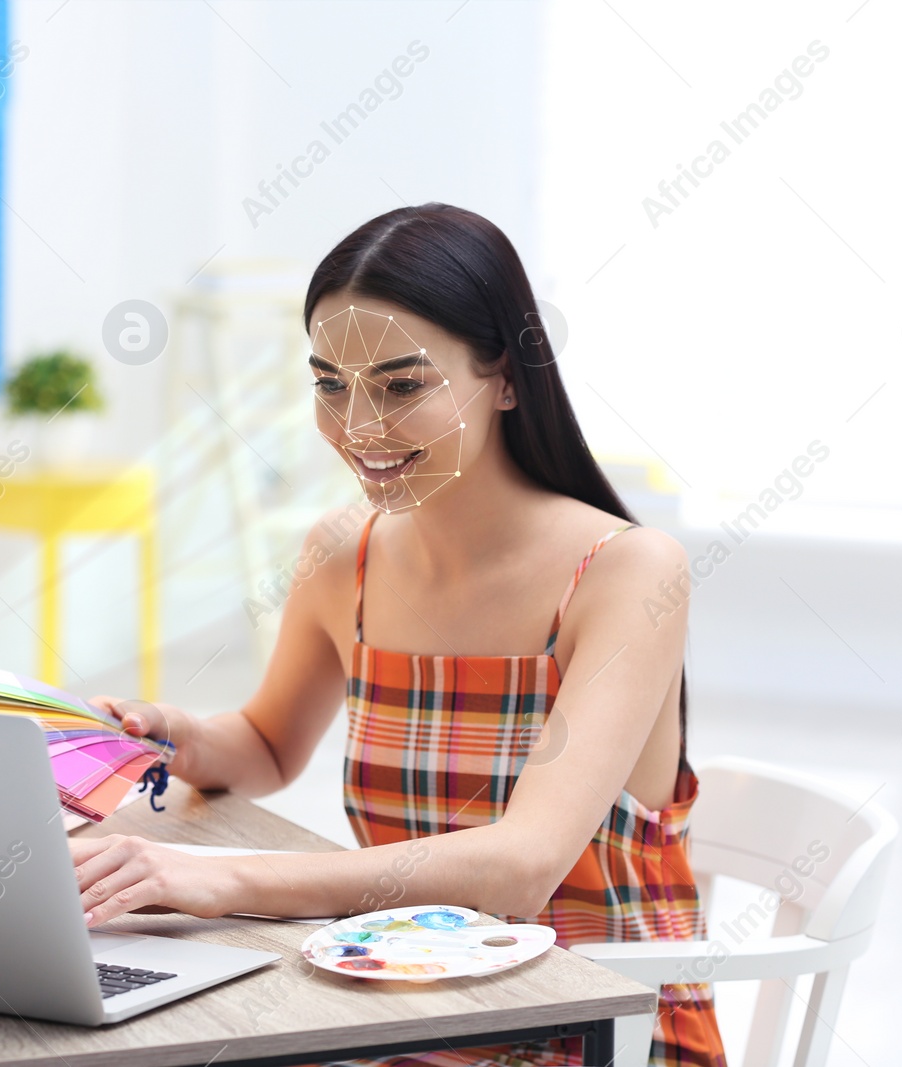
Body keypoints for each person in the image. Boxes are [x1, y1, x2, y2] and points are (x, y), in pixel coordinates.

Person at [75, 203, 726, 1067]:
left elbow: (518, 868)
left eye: (402, 384)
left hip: (600, 1029)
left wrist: (224, 879)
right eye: (330, 383)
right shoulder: (342, 551)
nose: (359, 426)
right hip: (414, 1014)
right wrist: (175, 734)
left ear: (506, 376)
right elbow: (269, 743)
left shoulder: (628, 571)